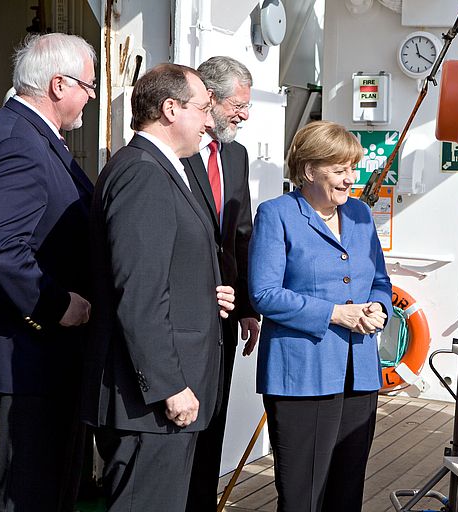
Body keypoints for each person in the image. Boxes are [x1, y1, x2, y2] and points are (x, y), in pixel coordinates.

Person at [81, 63, 235, 512]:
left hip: (162, 396)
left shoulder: (167, 168)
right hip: (151, 401)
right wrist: (169, 385)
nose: (209, 120)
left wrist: (208, 292)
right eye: (204, 108)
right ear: (171, 109)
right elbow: (140, 292)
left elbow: (167, 266)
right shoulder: (143, 172)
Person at [0, 33, 95, 512]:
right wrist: (58, 306)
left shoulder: (30, 135)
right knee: (22, 494)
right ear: (59, 84)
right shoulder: (18, 140)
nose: (91, 97)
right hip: (28, 355)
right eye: (88, 86)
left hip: (41, 359)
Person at [248, 120, 392, 512]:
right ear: (310, 170)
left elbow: (380, 280)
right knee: (303, 497)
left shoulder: (361, 216)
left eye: (353, 169)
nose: (351, 179)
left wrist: (378, 307)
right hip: (302, 375)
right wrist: (335, 314)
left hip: (359, 373)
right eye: (340, 170)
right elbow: (264, 294)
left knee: (347, 492)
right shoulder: (276, 214)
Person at [182, 55, 261, 512]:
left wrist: (248, 305)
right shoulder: (176, 152)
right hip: (186, 312)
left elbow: (241, 232)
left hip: (227, 314)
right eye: (238, 104)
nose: (244, 115)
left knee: (214, 417)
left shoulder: (236, 154)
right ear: (208, 98)